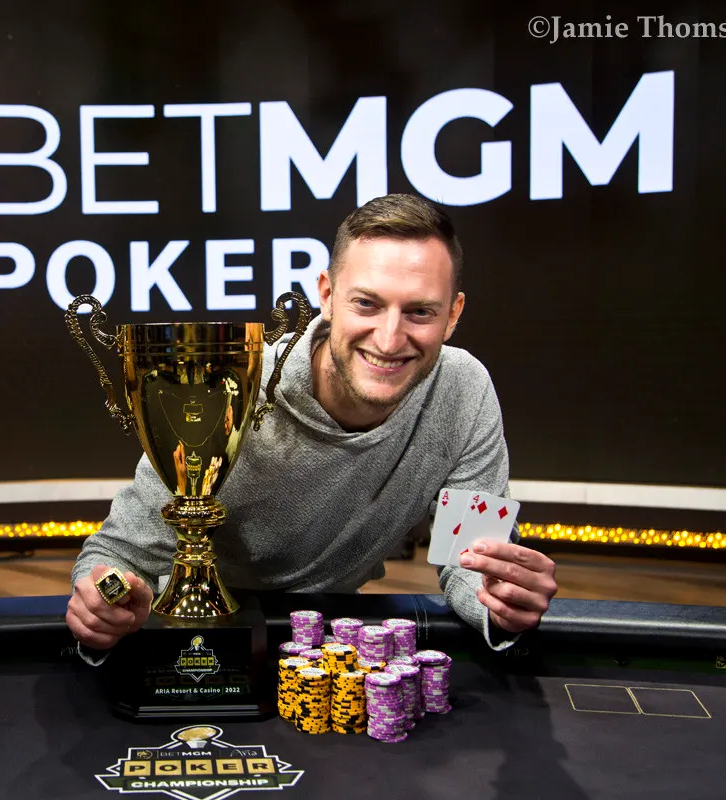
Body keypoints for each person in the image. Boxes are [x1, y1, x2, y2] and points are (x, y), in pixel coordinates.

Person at [66, 194, 558, 653]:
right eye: (366, 303)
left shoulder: (464, 389)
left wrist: (500, 602)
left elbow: (471, 559)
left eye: (420, 312)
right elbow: (117, 554)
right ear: (326, 295)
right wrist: (105, 599)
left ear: (452, 315)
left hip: (329, 644)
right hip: (202, 643)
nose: (389, 339)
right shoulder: (236, 389)